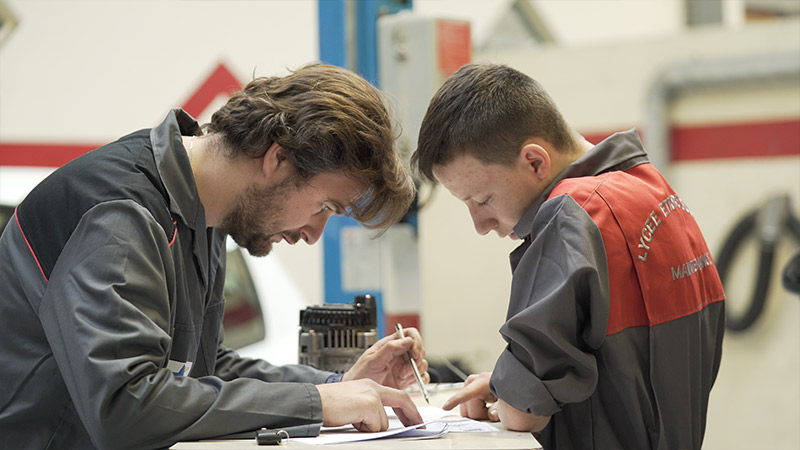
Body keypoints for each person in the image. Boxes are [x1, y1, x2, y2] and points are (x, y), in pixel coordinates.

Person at [0, 63, 429, 449]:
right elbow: (125, 407)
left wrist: (340, 385)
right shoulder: (121, 215)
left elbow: (203, 368)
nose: (314, 235)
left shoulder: (202, 214)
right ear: (277, 158)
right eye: (326, 208)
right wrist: (317, 401)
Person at [412, 63, 725, 449]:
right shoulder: (655, 193)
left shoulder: (571, 216)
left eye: (481, 200)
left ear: (535, 162)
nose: (480, 223)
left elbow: (523, 411)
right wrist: (506, 381)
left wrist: (509, 392)